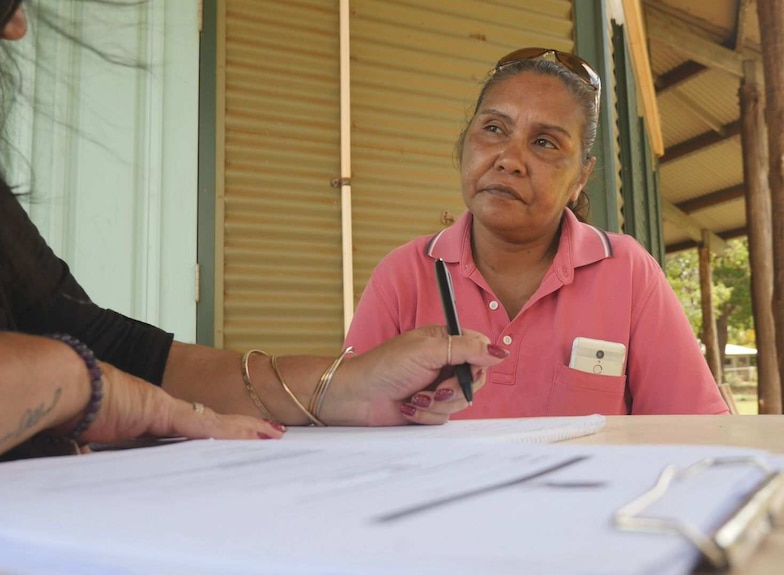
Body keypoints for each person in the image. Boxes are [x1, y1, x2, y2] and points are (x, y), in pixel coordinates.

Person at [0, 1, 509, 460]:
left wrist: (346, 388)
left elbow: (98, 342)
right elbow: (81, 358)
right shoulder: (406, 268)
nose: (18, 26)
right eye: (492, 130)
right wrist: (70, 379)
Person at [345, 47, 729, 418]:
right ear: (465, 143)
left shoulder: (627, 273)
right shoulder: (404, 275)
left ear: (581, 177)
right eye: (494, 128)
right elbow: (348, 417)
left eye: (544, 142)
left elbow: (694, 431)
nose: (510, 160)